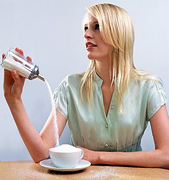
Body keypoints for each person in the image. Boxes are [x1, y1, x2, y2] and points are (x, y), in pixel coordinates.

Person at [3, 3, 169, 168]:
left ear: (119, 33)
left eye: (97, 27)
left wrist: (98, 157)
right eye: (85, 28)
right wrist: (13, 99)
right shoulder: (71, 87)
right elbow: (42, 154)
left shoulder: (148, 87)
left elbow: (166, 156)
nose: (87, 34)